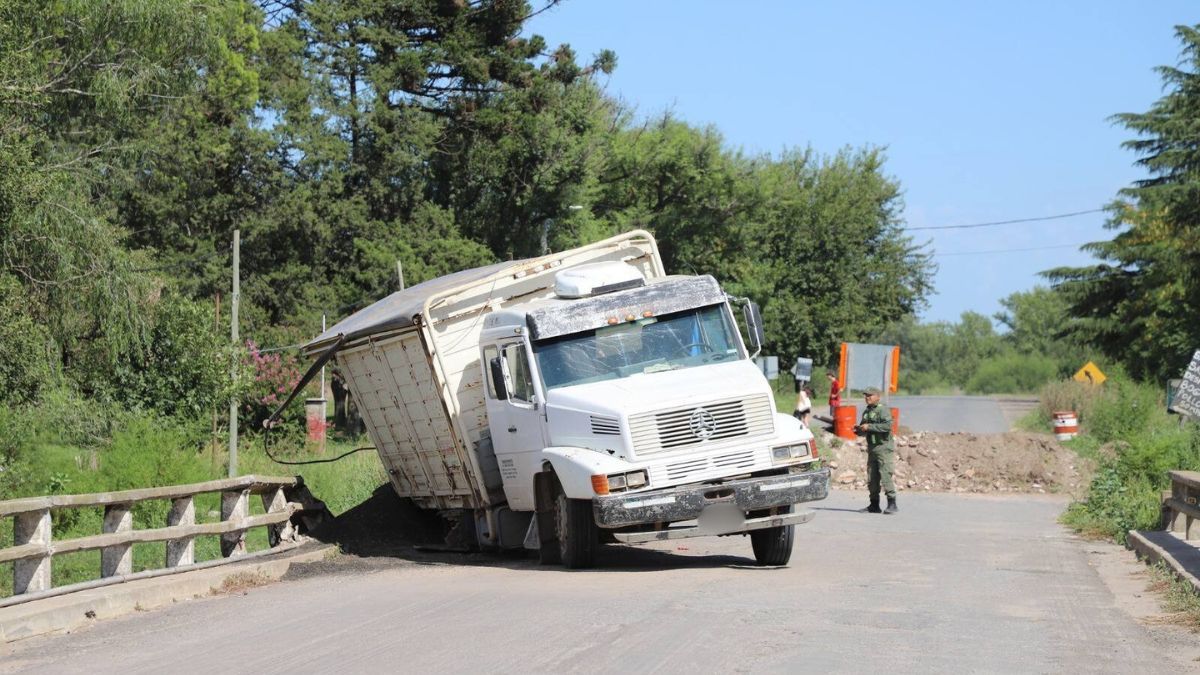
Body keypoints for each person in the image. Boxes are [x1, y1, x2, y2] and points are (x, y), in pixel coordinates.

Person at [854, 387, 897, 514]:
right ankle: (874, 505)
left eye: (870, 395)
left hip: (883, 448)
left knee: (885, 475)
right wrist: (859, 429)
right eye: (866, 395)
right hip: (872, 449)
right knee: (872, 478)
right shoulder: (867, 411)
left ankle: (892, 504)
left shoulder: (882, 409)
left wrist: (870, 426)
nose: (867, 397)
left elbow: (888, 426)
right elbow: (864, 430)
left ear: (878, 397)